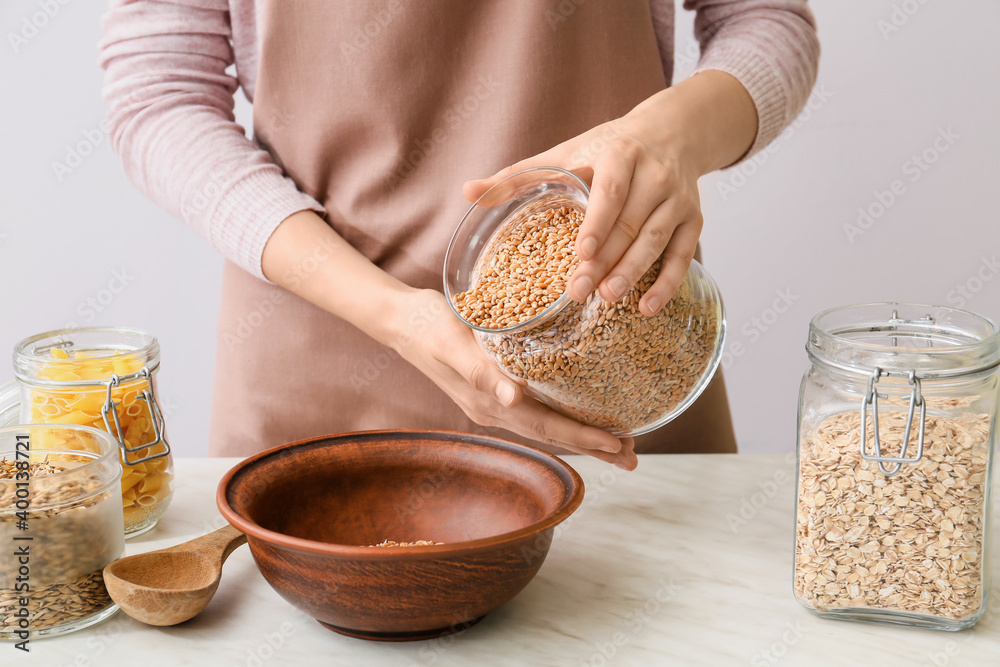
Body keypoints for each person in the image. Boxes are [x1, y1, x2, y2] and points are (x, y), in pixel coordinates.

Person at [99, 1, 819, 469]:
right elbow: (158, 94)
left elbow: (768, 21)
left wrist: (672, 136)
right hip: (321, 382)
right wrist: (396, 315)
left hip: (621, 358)